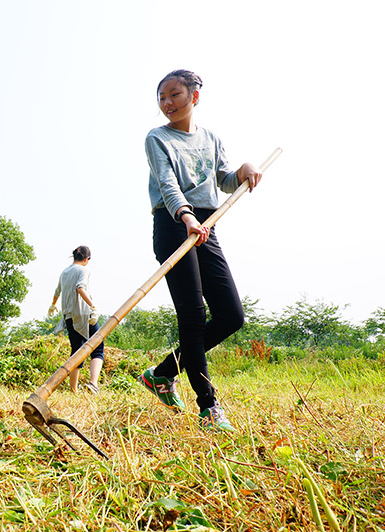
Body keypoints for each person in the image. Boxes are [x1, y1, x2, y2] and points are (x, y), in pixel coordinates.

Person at [138, 69, 262, 432]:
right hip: (175, 224)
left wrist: (243, 169)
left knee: (231, 315)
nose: (167, 103)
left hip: (207, 225)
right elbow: (167, 183)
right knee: (192, 315)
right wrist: (186, 217)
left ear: (194, 97)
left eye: (174, 95)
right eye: (161, 98)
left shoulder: (210, 138)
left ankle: (161, 374)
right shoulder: (157, 138)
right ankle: (209, 408)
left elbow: (223, 179)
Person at [48, 245, 104, 393]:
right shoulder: (83, 270)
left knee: (76, 350)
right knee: (98, 347)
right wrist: (92, 306)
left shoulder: (64, 272)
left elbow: (57, 291)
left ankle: (73, 390)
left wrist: (52, 305)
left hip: (69, 317)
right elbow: (80, 288)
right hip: (82, 315)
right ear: (86, 259)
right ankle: (93, 384)